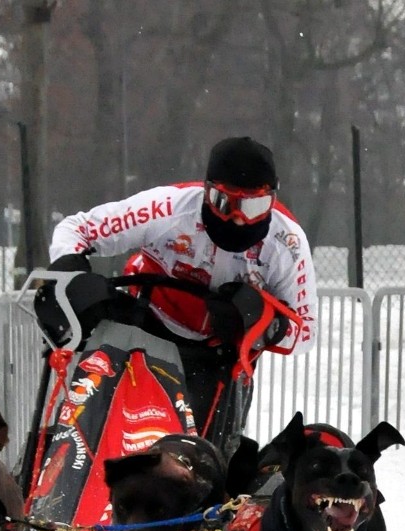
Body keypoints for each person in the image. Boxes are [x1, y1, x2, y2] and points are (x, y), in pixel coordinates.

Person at [47, 136, 317, 445]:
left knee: (204, 456)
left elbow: (305, 333)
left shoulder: (287, 243)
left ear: (271, 198)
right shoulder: (167, 209)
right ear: (206, 191)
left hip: (220, 355)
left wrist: (265, 322)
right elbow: (76, 229)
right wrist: (71, 271)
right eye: (224, 203)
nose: (239, 219)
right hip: (145, 329)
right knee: (112, 433)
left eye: (255, 206)